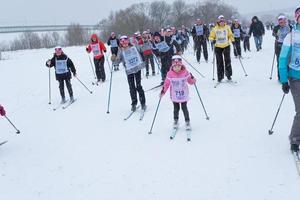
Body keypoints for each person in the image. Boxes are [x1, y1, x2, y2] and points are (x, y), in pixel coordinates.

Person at [279, 6, 300, 153]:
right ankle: (295, 139)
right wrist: (284, 80)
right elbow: (282, 59)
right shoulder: (291, 36)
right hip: (295, 78)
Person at [160, 55, 196, 129]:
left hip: (183, 94)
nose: (177, 68)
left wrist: (193, 80)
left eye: (179, 66)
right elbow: (166, 84)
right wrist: (163, 91)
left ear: (181, 65)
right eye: (175, 66)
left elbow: (190, 81)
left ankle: (187, 121)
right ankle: (176, 121)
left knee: (184, 108)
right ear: (172, 66)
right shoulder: (170, 74)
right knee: (176, 109)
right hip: (175, 95)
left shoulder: (185, 72)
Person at [113, 35, 146, 111]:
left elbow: (142, 48)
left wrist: (144, 42)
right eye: (122, 42)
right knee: (131, 87)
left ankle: (143, 103)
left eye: (125, 41)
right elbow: (117, 61)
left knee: (138, 86)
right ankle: (134, 103)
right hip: (129, 71)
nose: (124, 43)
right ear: (121, 43)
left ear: (128, 41)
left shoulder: (134, 46)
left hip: (137, 68)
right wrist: (114, 59)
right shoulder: (120, 51)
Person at [209, 15, 235, 82]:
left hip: (226, 45)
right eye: (220, 21)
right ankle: (220, 77)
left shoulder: (227, 27)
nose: (222, 22)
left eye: (223, 21)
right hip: (218, 47)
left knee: (227, 61)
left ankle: (228, 75)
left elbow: (230, 35)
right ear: (218, 21)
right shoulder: (215, 29)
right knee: (219, 62)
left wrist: (233, 40)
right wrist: (213, 40)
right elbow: (211, 37)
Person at [272, 15, 293, 80]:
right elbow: (273, 34)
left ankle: (288, 75)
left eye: (283, 22)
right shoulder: (276, 27)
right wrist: (276, 35)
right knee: (280, 62)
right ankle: (280, 77)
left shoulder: (289, 27)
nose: (282, 23)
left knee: (288, 61)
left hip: (287, 46)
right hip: (279, 46)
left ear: (285, 21)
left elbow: (293, 33)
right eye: (280, 22)